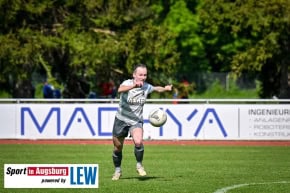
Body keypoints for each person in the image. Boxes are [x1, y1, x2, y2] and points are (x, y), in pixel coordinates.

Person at [111, 64, 173, 180]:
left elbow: (155, 88)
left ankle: (139, 165)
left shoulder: (146, 87)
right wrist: (134, 86)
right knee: (117, 147)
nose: (143, 77)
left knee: (138, 141)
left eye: (145, 75)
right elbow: (120, 90)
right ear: (134, 75)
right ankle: (117, 170)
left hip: (136, 121)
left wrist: (165, 88)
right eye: (140, 75)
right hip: (121, 119)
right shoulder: (127, 83)